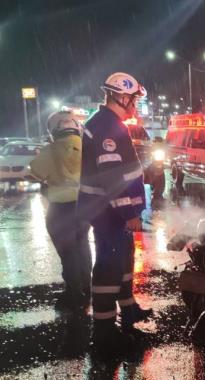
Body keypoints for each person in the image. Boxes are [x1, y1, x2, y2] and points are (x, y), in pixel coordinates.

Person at [77, 72, 152, 349]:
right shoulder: (107, 127)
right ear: (121, 96)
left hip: (112, 212)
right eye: (133, 99)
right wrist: (128, 214)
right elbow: (111, 179)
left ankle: (128, 309)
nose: (135, 105)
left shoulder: (110, 123)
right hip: (108, 212)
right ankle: (105, 334)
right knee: (109, 268)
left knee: (123, 260)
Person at [30, 111, 92, 310]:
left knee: (67, 251)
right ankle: (86, 285)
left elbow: (36, 172)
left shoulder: (51, 150)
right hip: (83, 206)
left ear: (54, 130)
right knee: (82, 245)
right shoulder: (87, 147)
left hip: (59, 208)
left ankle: (74, 291)